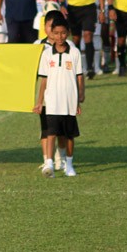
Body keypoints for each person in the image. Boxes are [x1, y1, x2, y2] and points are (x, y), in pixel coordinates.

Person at [34, 15, 84, 178]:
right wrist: (39, 101)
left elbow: (79, 76)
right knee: (51, 133)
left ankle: (68, 164)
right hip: (52, 101)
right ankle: (48, 163)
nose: (59, 36)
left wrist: (80, 97)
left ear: (68, 33)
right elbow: (44, 79)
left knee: (69, 135)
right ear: (51, 34)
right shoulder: (47, 54)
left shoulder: (74, 52)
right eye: (56, 33)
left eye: (63, 33)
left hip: (69, 100)